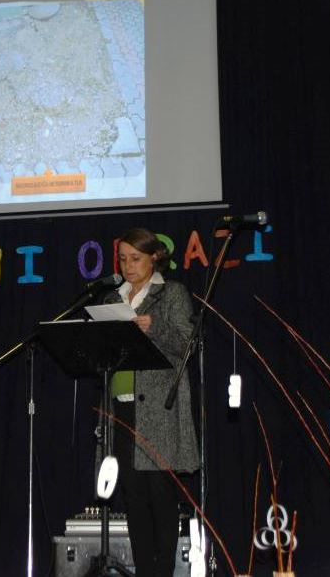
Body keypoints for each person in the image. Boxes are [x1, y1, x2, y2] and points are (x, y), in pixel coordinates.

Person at [103, 227, 199, 576]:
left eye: (136, 258)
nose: (128, 266)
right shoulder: (112, 299)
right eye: (123, 259)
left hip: (158, 410)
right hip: (121, 407)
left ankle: (162, 572)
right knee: (133, 498)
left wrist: (153, 327)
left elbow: (187, 344)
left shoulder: (172, 293)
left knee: (160, 496)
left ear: (154, 257)